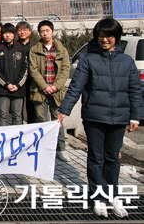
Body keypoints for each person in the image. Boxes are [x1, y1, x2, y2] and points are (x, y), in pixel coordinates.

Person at [58, 18, 143, 218]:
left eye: (109, 36)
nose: (105, 40)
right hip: (94, 117)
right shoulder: (89, 60)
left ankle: (113, 195)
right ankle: (98, 197)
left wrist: (136, 117)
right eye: (101, 36)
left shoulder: (127, 61)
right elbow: (76, 87)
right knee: (96, 158)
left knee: (112, 159)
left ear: (116, 37)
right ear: (96, 37)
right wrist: (65, 110)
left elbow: (135, 91)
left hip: (119, 118)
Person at [29, 20, 70, 162]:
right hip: (40, 90)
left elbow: (66, 69)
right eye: (42, 31)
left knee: (58, 120)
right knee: (40, 119)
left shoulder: (61, 49)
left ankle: (61, 149)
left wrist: (55, 86)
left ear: (52, 31)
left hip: (56, 91)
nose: (45, 33)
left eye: (47, 30)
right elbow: (33, 69)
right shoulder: (35, 49)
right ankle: (43, 148)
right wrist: (44, 86)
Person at [0, 23, 27, 126]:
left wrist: (18, 84)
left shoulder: (20, 50)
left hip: (18, 89)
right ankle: (4, 139)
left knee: (17, 115)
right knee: (3, 115)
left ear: (14, 34)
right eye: (5, 33)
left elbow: (25, 69)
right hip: (2, 89)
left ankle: (17, 138)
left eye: (10, 33)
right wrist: (6, 84)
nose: (7, 35)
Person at [15, 21, 38, 124]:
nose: (22, 32)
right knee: (18, 107)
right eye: (20, 30)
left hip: (32, 79)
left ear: (30, 32)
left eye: (25, 30)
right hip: (18, 79)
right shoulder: (14, 44)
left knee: (32, 106)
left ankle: (31, 126)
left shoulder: (36, 45)